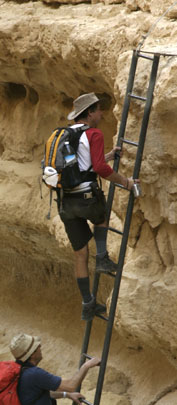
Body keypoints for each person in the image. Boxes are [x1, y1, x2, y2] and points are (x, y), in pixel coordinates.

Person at [61, 92, 138, 321]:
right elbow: (100, 169)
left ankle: (87, 303)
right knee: (101, 218)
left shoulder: (67, 134)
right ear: (89, 113)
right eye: (98, 110)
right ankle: (103, 258)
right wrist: (125, 182)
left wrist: (107, 156)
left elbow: (79, 165)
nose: (101, 114)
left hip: (66, 201)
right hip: (86, 197)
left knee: (80, 254)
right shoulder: (93, 134)